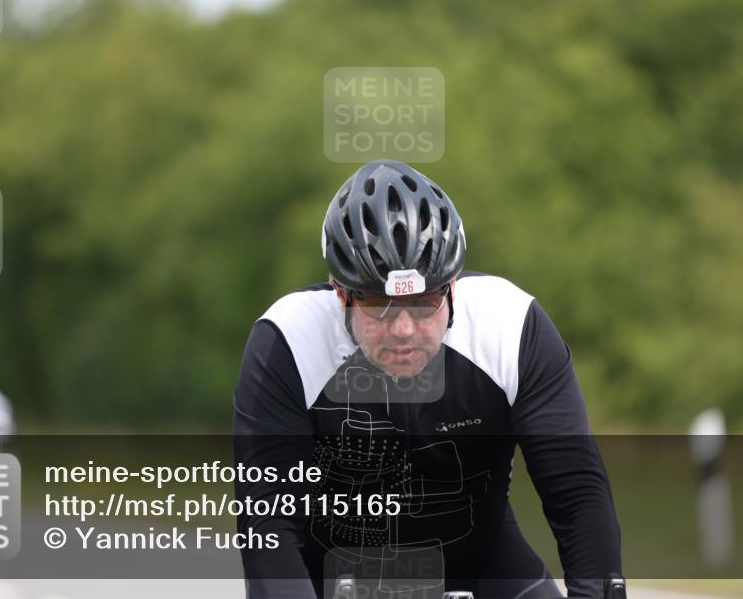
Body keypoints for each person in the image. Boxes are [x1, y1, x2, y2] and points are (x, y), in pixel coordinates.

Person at [233, 160, 622, 598]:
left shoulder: (509, 326)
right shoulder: (287, 341)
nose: (403, 329)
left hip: (482, 565)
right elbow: (269, 524)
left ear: (452, 287)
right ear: (341, 293)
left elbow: (577, 494)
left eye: (424, 302)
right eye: (379, 303)